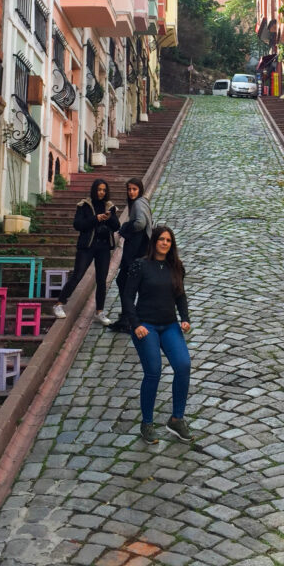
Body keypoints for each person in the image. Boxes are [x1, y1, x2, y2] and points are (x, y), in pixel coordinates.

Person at [123, 225, 192, 444]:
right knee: (153, 371)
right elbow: (127, 297)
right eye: (161, 239)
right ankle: (147, 424)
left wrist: (185, 318)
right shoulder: (140, 266)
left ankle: (176, 419)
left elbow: (180, 295)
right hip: (146, 326)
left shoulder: (176, 267)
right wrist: (135, 325)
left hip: (169, 325)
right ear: (154, 242)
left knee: (183, 365)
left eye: (168, 241)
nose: (165, 243)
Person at [52, 178, 119, 322]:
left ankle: (99, 312)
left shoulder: (110, 206)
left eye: (104, 190)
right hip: (87, 246)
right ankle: (59, 304)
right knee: (77, 275)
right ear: (94, 190)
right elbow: (78, 224)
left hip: (104, 247)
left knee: (102, 280)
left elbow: (117, 226)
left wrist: (109, 217)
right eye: (99, 189)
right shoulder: (84, 205)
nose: (101, 192)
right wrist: (95, 218)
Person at [108, 177, 152, 333]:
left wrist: (126, 227)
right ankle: (129, 316)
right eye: (129, 189)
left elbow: (140, 223)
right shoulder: (141, 203)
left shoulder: (139, 203)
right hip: (139, 251)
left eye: (134, 189)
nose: (131, 192)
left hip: (136, 252)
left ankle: (129, 318)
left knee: (124, 282)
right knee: (127, 283)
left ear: (139, 189)